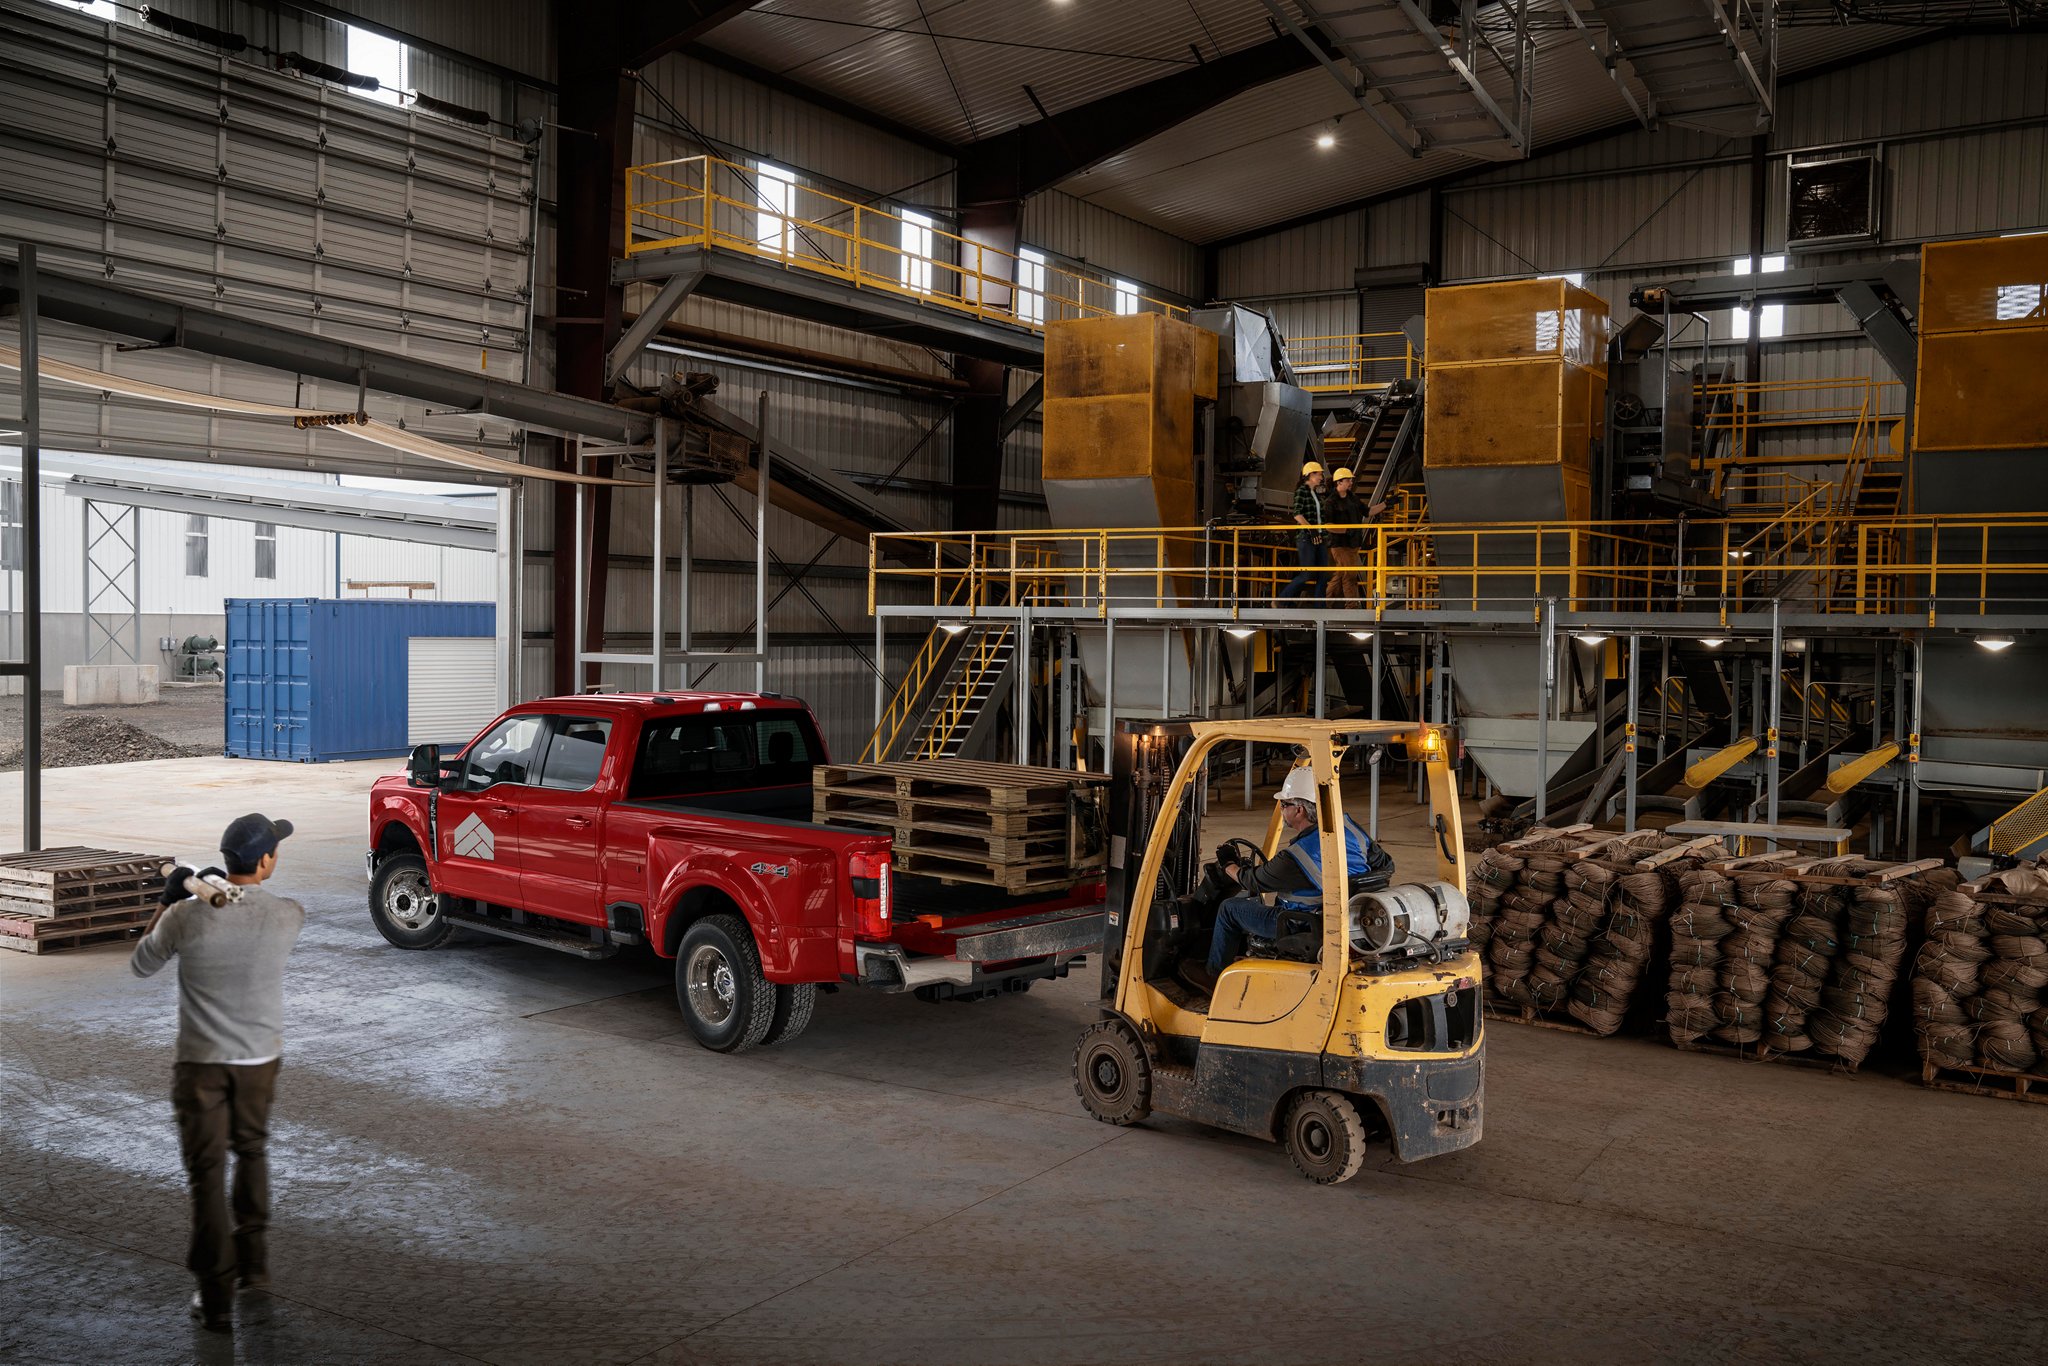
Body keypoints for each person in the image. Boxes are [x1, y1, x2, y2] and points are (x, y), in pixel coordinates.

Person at [131, 814, 305, 1334]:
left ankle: (216, 1298)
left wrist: (169, 900)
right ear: (266, 861)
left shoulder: (187, 916)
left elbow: (141, 963)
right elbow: (248, 909)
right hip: (258, 1063)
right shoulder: (287, 915)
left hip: (200, 1065)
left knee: (206, 1178)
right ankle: (255, 1270)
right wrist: (220, 893)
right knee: (251, 1150)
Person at [1196, 767, 1393, 987]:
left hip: (1300, 923)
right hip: (1351, 918)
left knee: (1230, 908)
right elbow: (1386, 865)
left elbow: (1252, 880)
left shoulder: (1296, 856)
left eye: (1284, 804)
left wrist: (1228, 864)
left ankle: (1212, 976)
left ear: (1299, 810)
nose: (1281, 809)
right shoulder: (1349, 829)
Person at [1278, 459, 1329, 600]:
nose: (1321, 477)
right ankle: (1281, 600)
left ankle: (1320, 607)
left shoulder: (1316, 495)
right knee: (1307, 574)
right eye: (1319, 474)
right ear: (1310, 475)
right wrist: (1311, 530)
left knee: (1323, 574)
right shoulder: (1302, 491)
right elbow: (1297, 514)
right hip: (1306, 538)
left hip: (1319, 537)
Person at [1325, 466, 1367, 605]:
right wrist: (1346, 530)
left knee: (1340, 574)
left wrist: (1385, 504)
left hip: (1353, 543)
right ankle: (1352, 606)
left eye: (1351, 480)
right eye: (1348, 480)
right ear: (1339, 482)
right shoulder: (1331, 501)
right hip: (1340, 544)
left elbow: (1368, 511)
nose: (1351, 483)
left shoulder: (1353, 498)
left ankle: (1325, 603)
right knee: (1350, 575)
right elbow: (1328, 526)